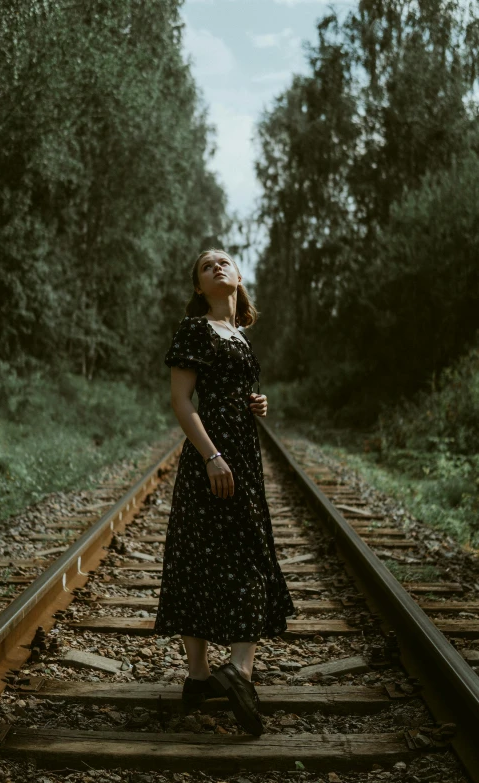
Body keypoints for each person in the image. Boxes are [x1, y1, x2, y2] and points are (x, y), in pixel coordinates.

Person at [153, 248, 296, 736]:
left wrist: (256, 400)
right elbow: (180, 400)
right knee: (200, 555)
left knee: (247, 553)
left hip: (245, 461)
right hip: (211, 459)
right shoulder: (196, 329)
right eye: (205, 266)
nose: (216, 267)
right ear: (199, 287)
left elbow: (231, 386)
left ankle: (231, 673)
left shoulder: (239, 335)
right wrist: (212, 456)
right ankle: (207, 675)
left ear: (238, 277)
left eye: (224, 261)